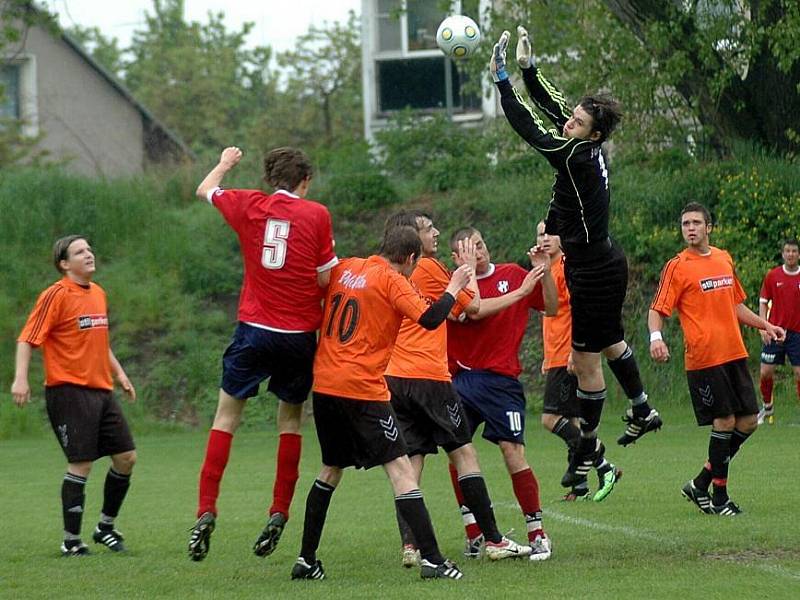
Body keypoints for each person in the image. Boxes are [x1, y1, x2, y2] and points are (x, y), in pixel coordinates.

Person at [488, 27, 661, 486]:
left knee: (584, 361)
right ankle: (642, 408)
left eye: (579, 122)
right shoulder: (587, 143)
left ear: (594, 133)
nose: (570, 123)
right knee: (607, 344)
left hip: (592, 270)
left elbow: (531, 127)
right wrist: (529, 70)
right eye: (575, 118)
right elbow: (554, 108)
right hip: (600, 262)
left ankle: (586, 448)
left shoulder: (576, 156)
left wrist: (503, 82)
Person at [291, 226, 472, 581]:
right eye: (412, 265)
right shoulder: (392, 280)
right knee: (402, 472)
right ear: (409, 258)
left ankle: (306, 559)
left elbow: (315, 283)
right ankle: (433, 560)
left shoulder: (345, 267)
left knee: (331, 469)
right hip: (362, 389)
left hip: (326, 385)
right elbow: (431, 319)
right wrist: (454, 286)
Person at [188, 146, 338, 561]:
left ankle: (205, 510)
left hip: (253, 329)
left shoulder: (248, 204)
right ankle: (279, 511)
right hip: (298, 334)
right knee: (290, 421)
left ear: (272, 179)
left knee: (225, 417)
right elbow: (326, 276)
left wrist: (225, 163)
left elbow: (205, 189)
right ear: (305, 180)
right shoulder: (317, 215)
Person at [382, 211, 532, 566]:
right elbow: (474, 306)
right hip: (429, 376)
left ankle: (410, 546)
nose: (436, 232)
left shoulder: (388, 271)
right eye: (428, 228)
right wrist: (467, 271)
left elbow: (448, 312)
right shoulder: (431, 267)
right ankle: (494, 540)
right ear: (412, 237)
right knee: (464, 454)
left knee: (411, 463)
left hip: (394, 378)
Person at [649, 203, 784, 516]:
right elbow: (658, 310)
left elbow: (735, 305)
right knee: (724, 421)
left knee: (750, 421)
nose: (690, 228)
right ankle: (719, 497)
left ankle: (700, 482)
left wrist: (765, 324)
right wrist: (656, 338)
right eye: (685, 224)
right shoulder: (677, 266)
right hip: (704, 358)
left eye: (696, 222)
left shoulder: (723, 258)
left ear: (708, 227)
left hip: (734, 353)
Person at [11, 235, 137, 556]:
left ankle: (104, 527)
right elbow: (27, 339)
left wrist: (120, 374)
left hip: (101, 390)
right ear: (64, 264)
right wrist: (21, 379)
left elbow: (100, 341)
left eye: (90, 249)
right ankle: (71, 541)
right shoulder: (55, 295)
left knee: (126, 458)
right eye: (80, 252)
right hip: (68, 391)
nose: (89, 254)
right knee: (80, 464)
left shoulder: (98, 293)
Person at [446, 226, 556, 560]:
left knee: (513, 451)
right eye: (469, 250)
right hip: (461, 380)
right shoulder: (453, 287)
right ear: (457, 257)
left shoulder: (511, 273)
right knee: (458, 451)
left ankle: (536, 532)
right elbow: (474, 310)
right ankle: (473, 532)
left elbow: (551, 307)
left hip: (501, 382)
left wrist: (546, 271)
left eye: (480, 245)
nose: (478, 252)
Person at [536, 221, 621, 503]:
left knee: (551, 419)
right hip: (555, 354)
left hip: (568, 354)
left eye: (551, 234)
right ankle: (580, 486)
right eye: (540, 234)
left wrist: (575, 351)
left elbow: (579, 312)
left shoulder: (568, 268)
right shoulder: (544, 270)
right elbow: (548, 314)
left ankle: (602, 462)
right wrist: (546, 355)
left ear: (563, 239)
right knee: (571, 419)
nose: (545, 239)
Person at [756, 238, 800, 424]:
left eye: (794, 251)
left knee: (799, 373)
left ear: (798, 254)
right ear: (782, 254)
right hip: (775, 331)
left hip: (797, 334)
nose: (790, 254)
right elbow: (763, 303)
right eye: (787, 251)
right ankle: (767, 407)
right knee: (765, 372)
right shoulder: (773, 276)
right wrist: (763, 328)